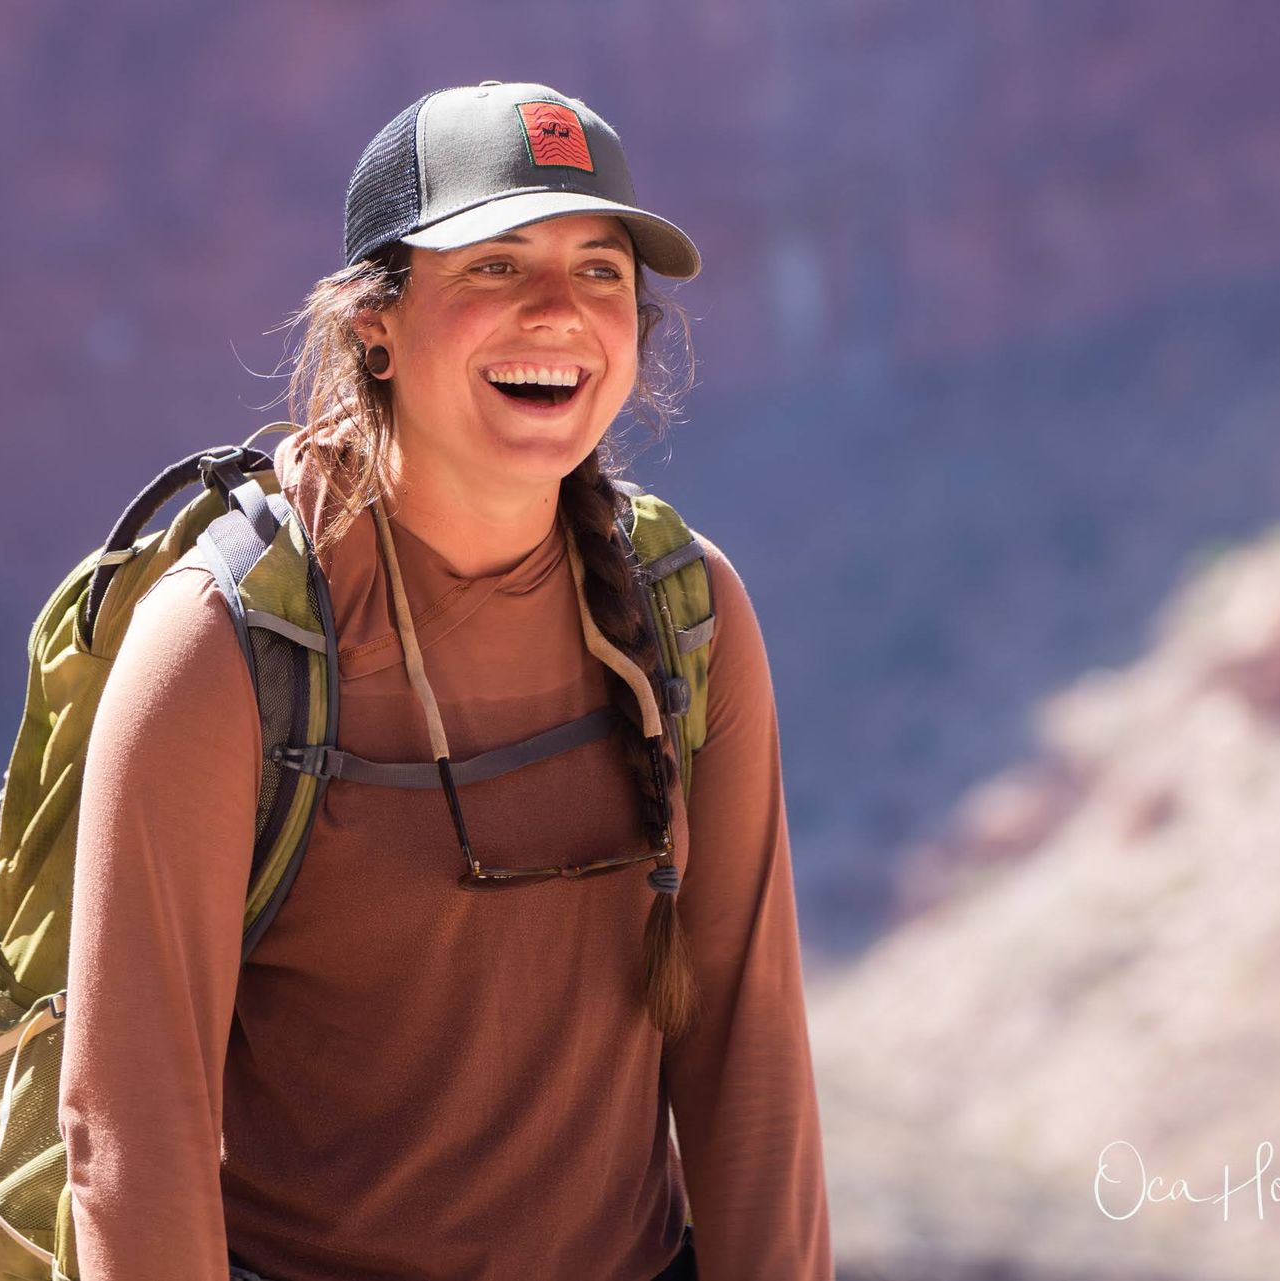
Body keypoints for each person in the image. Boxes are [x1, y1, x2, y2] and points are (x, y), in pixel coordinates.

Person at [58, 80, 832, 1281]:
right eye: (494, 267)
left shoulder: (688, 614)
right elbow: (128, 1137)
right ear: (374, 323)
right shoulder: (222, 649)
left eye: (600, 271)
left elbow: (749, 1056)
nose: (559, 314)